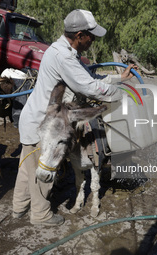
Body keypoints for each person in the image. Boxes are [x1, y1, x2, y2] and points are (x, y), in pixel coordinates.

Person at [12, 9, 136, 226]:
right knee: (44, 171)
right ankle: (40, 215)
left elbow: (90, 77)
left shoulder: (65, 51)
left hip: (35, 118)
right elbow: (88, 87)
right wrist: (121, 95)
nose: (93, 40)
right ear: (80, 35)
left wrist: (117, 78)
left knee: (27, 167)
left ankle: (19, 208)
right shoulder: (64, 56)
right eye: (91, 36)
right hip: (46, 125)